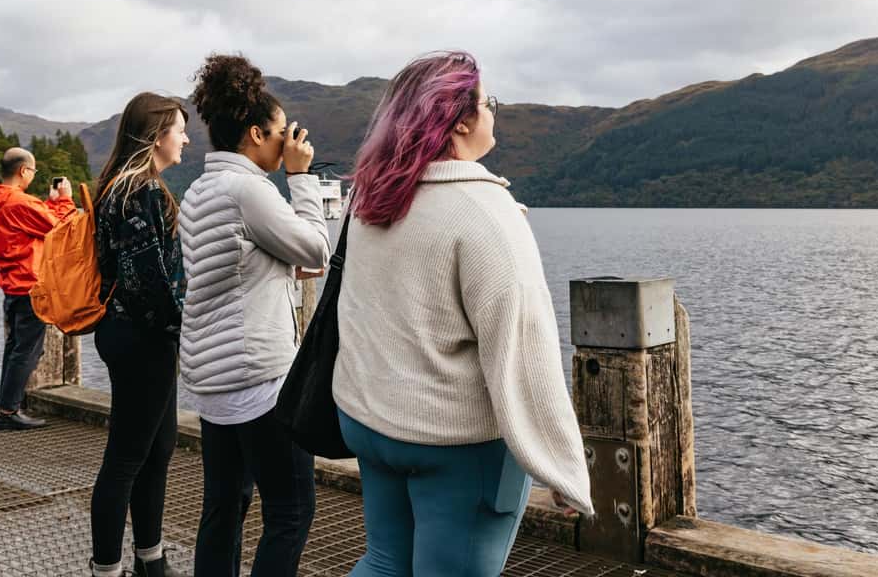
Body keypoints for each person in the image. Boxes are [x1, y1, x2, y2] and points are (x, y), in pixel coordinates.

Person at [333, 52, 595, 577]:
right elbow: (524, 347)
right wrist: (561, 467)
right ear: (460, 120)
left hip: (368, 419)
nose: (494, 113)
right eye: (488, 103)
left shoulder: (369, 199)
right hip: (451, 440)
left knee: (385, 563)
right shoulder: (485, 210)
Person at [179, 54, 330, 577]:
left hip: (215, 381)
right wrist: (301, 177)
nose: (287, 141)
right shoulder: (249, 190)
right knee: (291, 512)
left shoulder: (198, 191)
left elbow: (230, 269)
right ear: (253, 133)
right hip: (260, 382)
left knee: (223, 509)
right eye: (279, 132)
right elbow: (316, 248)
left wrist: (280, 268)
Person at [88, 93, 190, 577]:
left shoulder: (122, 189)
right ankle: (106, 569)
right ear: (155, 135)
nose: (186, 138)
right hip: (141, 339)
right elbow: (148, 285)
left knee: (158, 445)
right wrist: (189, 324)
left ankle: (151, 558)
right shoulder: (138, 193)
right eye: (179, 129)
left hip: (132, 335)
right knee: (127, 457)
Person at [0, 147, 76, 431]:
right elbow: (61, 227)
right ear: (23, 170)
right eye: (33, 172)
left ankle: (6, 405)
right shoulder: (19, 202)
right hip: (29, 285)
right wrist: (66, 199)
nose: (33, 177)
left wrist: (48, 203)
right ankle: (8, 412)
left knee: (15, 350)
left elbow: (36, 220)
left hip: (12, 285)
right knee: (28, 352)